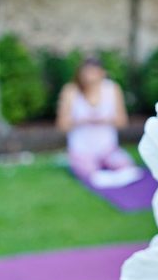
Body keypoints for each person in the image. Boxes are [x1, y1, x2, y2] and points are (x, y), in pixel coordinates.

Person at [56, 57, 141, 189]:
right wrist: (81, 121)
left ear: (102, 73)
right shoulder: (71, 90)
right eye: (87, 73)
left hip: (107, 147)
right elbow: (62, 125)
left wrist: (104, 120)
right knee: (89, 172)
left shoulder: (112, 89)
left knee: (126, 166)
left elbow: (122, 122)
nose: (90, 78)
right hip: (81, 148)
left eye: (93, 73)